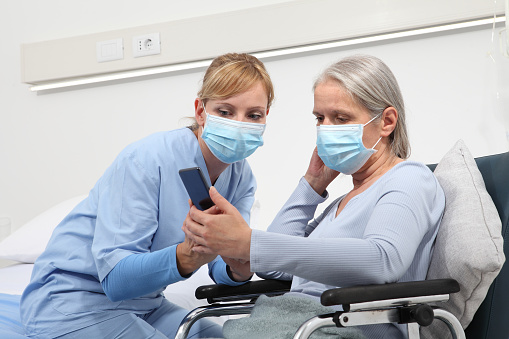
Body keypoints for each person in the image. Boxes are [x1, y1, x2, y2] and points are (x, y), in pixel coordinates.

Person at [183, 54, 446, 339]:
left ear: (386, 122)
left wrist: (250, 242)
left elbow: (382, 260)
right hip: (297, 324)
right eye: (320, 118)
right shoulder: (341, 203)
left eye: (341, 118)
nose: (326, 129)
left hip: (347, 328)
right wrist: (310, 186)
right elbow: (272, 266)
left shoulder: (409, 177)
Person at [20, 52, 274, 339]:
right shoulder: (145, 160)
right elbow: (115, 280)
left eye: (253, 115)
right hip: (74, 302)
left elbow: (221, 263)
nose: (239, 124)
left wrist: (239, 267)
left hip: (147, 304)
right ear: (201, 111)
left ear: (266, 118)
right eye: (225, 112)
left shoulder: (242, 177)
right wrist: (184, 257)